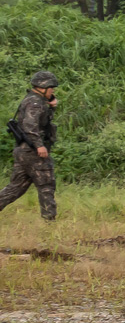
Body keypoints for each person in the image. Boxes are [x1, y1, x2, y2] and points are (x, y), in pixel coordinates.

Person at [2, 72, 60, 222]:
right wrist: (39, 146)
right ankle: (50, 222)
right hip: (32, 151)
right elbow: (30, 127)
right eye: (51, 88)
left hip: (25, 150)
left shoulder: (37, 101)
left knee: (16, 187)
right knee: (46, 184)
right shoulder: (34, 103)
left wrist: (52, 107)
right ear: (43, 87)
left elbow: (43, 122)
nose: (53, 91)